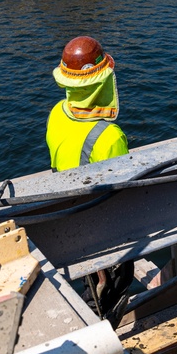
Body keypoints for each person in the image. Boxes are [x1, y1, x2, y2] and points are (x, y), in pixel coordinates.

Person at [46, 35, 131, 325]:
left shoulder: (56, 113)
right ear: (104, 81)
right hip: (100, 230)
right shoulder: (110, 137)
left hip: (69, 218)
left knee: (90, 287)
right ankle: (102, 333)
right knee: (115, 285)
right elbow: (123, 195)